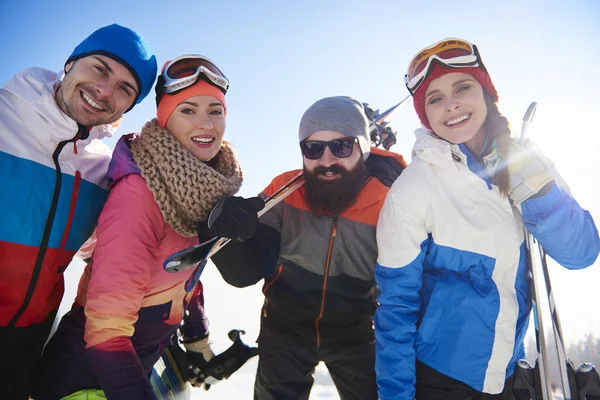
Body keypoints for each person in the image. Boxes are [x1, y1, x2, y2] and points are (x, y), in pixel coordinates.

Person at [374, 37, 600, 399]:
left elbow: (581, 253)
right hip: (439, 379)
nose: (451, 105)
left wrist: (539, 194)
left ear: (485, 92)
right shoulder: (413, 188)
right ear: (426, 115)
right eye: (435, 99)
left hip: (508, 376)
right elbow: (396, 307)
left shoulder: (529, 161)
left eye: (462, 87)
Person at [35, 55, 244, 399]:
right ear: (165, 118)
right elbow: (106, 330)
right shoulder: (140, 193)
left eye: (215, 111)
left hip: (137, 366)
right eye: (188, 110)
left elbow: (183, 272)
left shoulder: (196, 185)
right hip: (87, 381)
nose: (206, 124)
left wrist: (196, 338)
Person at [205, 96, 407, 400]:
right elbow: (245, 271)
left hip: (357, 332)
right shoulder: (285, 191)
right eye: (313, 148)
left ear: (363, 148)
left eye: (341, 146)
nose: (326, 160)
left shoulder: (391, 201)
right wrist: (227, 234)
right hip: (285, 329)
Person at [0, 23, 157, 399]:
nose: (105, 91)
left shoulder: (101, 171)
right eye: (100, 68)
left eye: (125, 89)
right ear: (70, 64)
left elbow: (106, 250)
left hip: (25, 345)